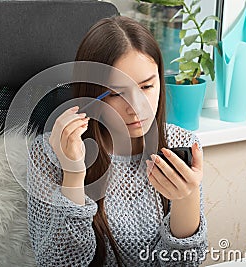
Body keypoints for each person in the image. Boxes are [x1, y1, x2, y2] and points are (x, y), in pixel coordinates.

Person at [26, 16, 208, 266]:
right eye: (115, 93)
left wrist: (186, 198)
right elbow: (58, 263)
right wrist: (73, 174)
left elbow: (186, 263)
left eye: (146, 87)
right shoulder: (47, 153)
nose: (136, 107)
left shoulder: (180, 142)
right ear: (91, 92)